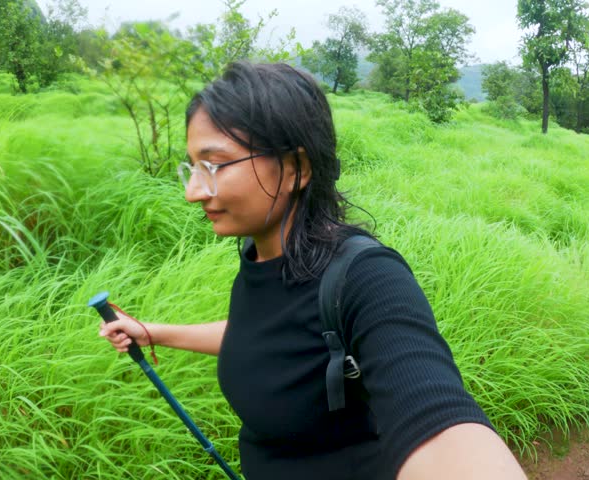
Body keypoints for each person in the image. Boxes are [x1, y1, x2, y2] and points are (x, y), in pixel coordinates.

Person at [99, 61, 527, 480]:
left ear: (297, 169)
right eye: (193, 167)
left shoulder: (367, 277)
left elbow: (441, 423)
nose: (194, 191)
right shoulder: (257, 254)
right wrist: (154, 332)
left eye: (214, 165)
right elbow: (266, 336)